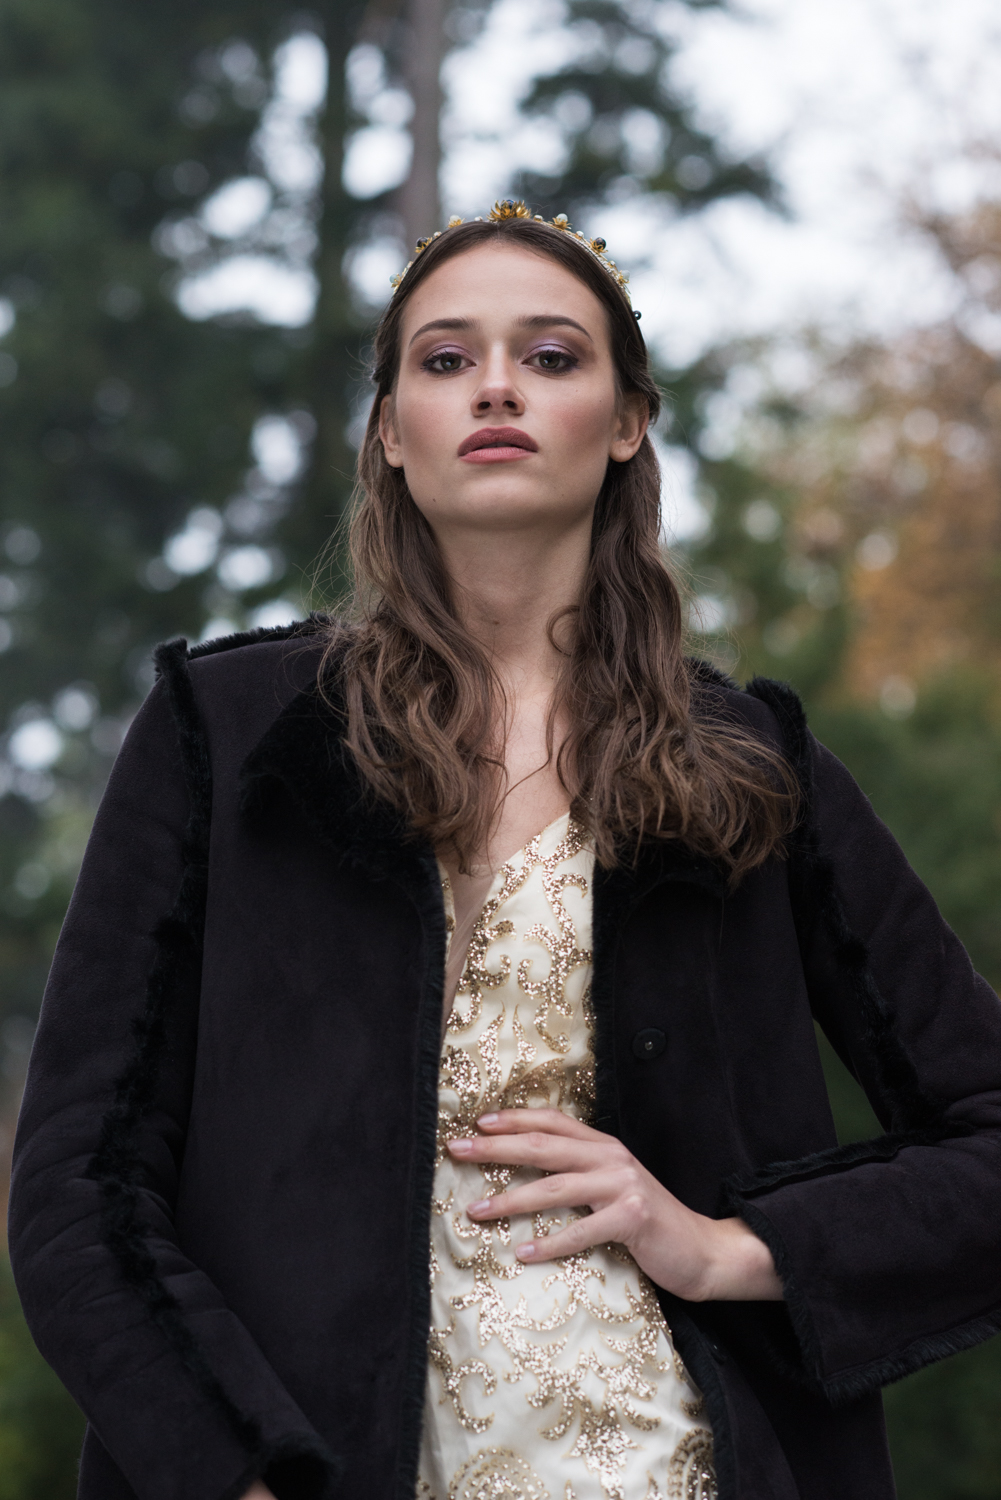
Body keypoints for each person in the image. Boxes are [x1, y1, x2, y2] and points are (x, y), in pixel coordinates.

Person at [8, 199, 1001, 1500]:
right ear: (389, 433)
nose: (493, 386)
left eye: (549, 355)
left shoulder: (753, 766)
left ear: (627, 420)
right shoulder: (226, 737)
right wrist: (235, 1476)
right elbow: (79, 1183)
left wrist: (727, 1246)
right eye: (442, 358)